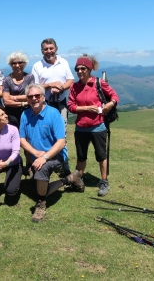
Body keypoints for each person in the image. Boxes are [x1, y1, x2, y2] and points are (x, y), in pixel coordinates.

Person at [20, 84, 84, 223]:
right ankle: (69, 179)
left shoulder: (54, 114)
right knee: (38, 181)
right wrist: (35, 153)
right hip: (37, 156)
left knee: (41, 175)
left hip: (56, 156)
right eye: (30, 96)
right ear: (27, 99)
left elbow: (61, 142)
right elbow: (22, 139)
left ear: (43, 97)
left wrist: (44, 157)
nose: (34, 99)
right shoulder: (25, 114)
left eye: (37, 96)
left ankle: (41, 204)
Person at [68, 54, 119, 197]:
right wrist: (87, 108)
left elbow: (115, 96)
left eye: (83, 68)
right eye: (77, 68)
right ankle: (78, 180)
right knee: (81, 156)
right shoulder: (74, 87)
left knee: (101, 155)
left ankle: (104, 181)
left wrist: (110, 104)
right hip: (81, 127)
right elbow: (71, 106)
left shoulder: (98, 83)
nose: (79, 71)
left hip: (98, 126)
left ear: (89, 69)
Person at [31, 38, 74, 176]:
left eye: (51, 48)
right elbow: (34, 87)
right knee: (43, 134)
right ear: (42, 50)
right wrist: (51, 85)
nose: (49, 51)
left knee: (62, 134)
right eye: (46, 49)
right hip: (44, 105)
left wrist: (61, 87)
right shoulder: (37, 66)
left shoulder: (64, 62)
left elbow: (71, 80)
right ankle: (42, 163)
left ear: (56, 48)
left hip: (61, 103)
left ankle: (64, 166)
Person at [2, 51, 34, 177]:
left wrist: (14, 97)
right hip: (12, 116)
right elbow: (5, 101)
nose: (17, 65)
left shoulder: (30, 77)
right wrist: (23, 102)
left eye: (20, 62)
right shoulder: (7, 80)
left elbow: (31, 96)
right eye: (14, 63)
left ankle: (29, 165)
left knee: (28, 140)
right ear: (11, 65)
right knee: (13, 142)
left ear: (24, 63)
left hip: (27, 115)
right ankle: (16, 165)